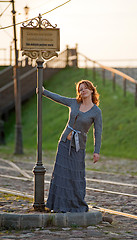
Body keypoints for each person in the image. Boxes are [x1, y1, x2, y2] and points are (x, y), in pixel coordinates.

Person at [42, 80, 102, 213]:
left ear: (91, 90)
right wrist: (43, 92)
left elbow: (97, 132)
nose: (83, 91)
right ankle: (58, 205)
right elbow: (59, 98)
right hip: (64, 143)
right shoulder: (74, 103)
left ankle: (75, 204)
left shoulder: (96, 111)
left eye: (85, 88)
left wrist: (96, 151)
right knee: (61, 174)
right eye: (80, 89)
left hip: (78, 146)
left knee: (75, 175)